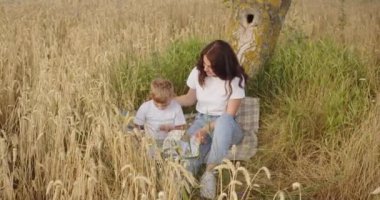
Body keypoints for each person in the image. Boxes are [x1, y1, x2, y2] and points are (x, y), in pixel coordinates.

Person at [175, 40, 248, 199]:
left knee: (223, 122)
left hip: (226, 126)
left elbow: (228, 116)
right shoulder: (198, 72)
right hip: (202, 119)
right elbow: (189, 99)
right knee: (189, 156)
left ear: (223, 66)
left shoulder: (235, 80)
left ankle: (209, 173)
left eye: (210, 66)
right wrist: (170, 101)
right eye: (204, 64)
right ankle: (181, 188)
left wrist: (206, 129)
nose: (205, 68)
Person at [134, 78, 186, 147]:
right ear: (152, 96)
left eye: (164, 105)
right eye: (156, 104)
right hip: (150, 141)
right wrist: (142, 137)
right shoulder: (145, 107)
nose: (160, 107)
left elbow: (181, 127)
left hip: (170, 143)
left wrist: (171, 127)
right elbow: (137, 126)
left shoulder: (176, 107)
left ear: (171, 96)